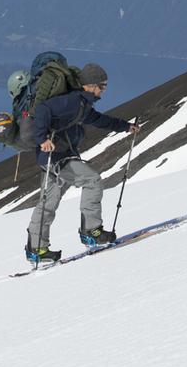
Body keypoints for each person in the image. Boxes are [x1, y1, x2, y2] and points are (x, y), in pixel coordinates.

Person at [25, 63, 140, 262]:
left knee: (48, 203)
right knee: (92, 180)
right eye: (103, 86)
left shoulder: (82, 105)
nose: (104, 90)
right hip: (59, 157)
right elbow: (43, 110)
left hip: (51, 158)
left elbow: (100, 120)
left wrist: (126, 127)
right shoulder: (72, 101)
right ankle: (91, 231)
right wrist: (42, 138)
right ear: (92, 85)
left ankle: (37, 249)